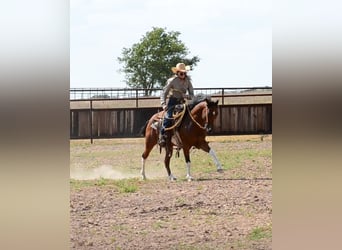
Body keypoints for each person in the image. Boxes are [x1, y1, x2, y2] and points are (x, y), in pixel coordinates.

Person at [159, 62, 194, 147]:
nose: (183, 75)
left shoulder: (188, 81)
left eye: (184, 73)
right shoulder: (172, 81)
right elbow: (164, 93)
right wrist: (163, 104)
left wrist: (187, 96)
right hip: (172, 102)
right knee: (168, 117)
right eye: (181, 73)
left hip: (182, 103)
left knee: (191, 117)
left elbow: (192, 95)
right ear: (177, 73)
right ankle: (162, 137)